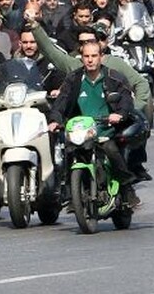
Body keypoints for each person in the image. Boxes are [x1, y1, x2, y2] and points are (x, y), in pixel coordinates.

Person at [46, 41, 141, 207]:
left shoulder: (114, 77)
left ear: (101, 57)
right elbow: (61, 101)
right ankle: (71, 194)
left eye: (94, 56)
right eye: (86, 56)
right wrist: (55, 120)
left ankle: (126, 188)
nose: (90, 60)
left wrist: (119, 114)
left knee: (111, 149)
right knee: (67, 153)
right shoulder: (73, 78)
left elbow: (126, 99)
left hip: (106, 130)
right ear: (81, 58)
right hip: (80, 131)